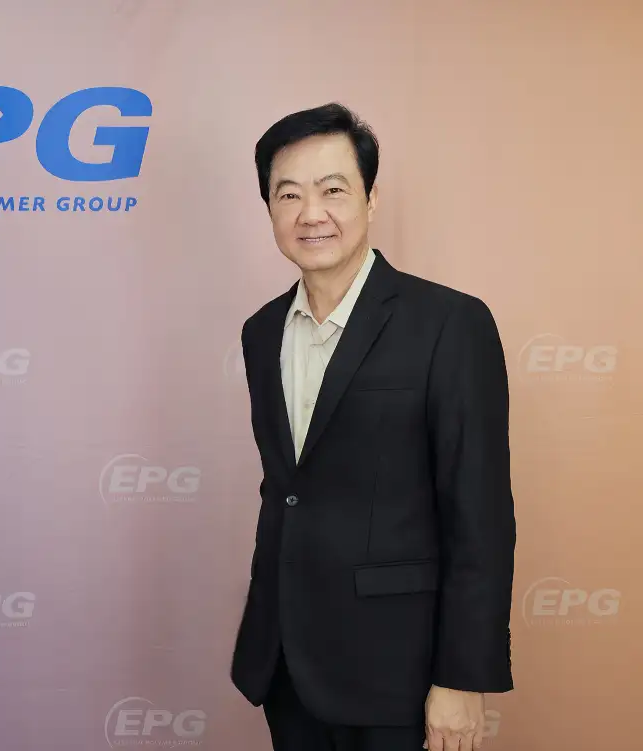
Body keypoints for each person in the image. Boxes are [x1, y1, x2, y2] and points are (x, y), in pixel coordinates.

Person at [230, 103, 516, 751]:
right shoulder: (261, 332)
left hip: (401, 671)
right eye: (289, 194)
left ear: (371, 197)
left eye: (333, 190)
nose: (311, 213)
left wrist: (461, 677)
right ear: (269, 207)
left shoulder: (449, 323)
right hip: (286, 661)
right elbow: (289, 491)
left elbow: (479, 513)